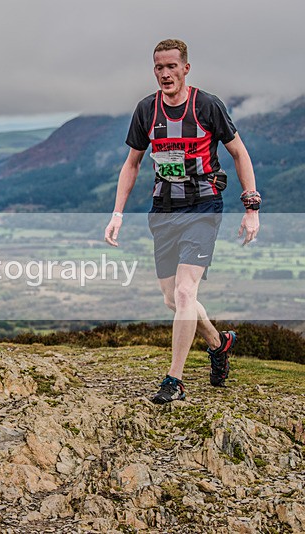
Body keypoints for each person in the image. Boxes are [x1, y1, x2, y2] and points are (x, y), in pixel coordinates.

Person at [104, 39, 260, 404]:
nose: (165, 74)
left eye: (171, 66)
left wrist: (251, 206)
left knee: (187, 292)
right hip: (163, 208)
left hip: (203, 206)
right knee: (172, 299)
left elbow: (239, 153)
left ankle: (174, 380)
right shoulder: (146, 110)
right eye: (159, 67)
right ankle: (220, 344)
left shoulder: (207, 106)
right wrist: (116, 213)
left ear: (185, 68)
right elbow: (132, 164)